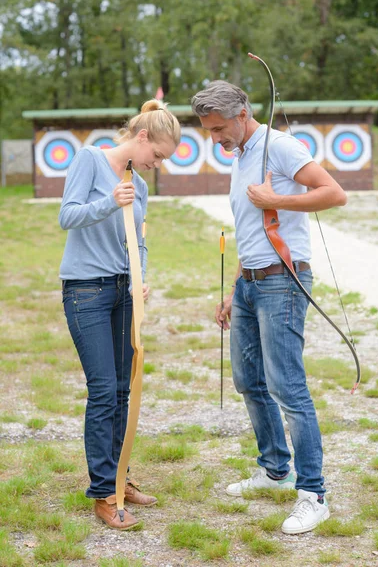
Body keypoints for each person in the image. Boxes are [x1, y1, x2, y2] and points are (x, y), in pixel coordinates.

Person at [191, 81, 347, 535]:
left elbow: (334, 193)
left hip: (283, 282)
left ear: (242, 113)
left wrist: (277, 198)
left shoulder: (278, 146)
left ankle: (313, 494)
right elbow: (253, 228)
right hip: (251, 283)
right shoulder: (241, 155)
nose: (215, 138)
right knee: (247, 380)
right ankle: (276, 469)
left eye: (219, 128)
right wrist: (235, 288)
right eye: (209, 131)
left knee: (287, 387)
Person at [59, 100, 181, 530]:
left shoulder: (141, 188)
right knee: (105, 391)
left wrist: (141, 276)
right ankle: (103, 495)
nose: (157, 164)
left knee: (125, 393)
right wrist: (109, 202)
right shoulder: (89, 160)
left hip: (123, 292)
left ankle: (119, 475)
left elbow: (139, 242)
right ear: (142, 137)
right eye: (158, 155)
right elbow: (67, 216)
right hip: (86, 291)